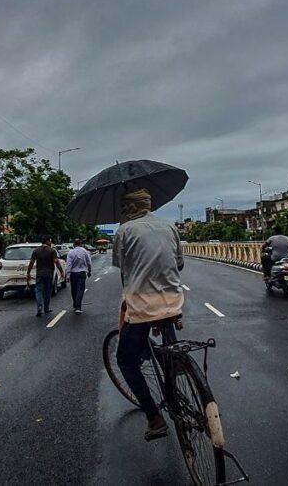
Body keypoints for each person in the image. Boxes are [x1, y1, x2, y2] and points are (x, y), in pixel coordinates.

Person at [113, 188, 184, 441]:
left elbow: (123, 269)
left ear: (129, 208)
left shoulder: (124, 231)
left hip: (142, 306)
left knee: (125, 361)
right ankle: (175, 372)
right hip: (173, 302)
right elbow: (179, 264)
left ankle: (155, 419)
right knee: (170, 353)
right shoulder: (169, 227)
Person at [26, 236, 64, 317]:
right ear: (47, 241)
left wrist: (28, 273)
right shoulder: (52, 251)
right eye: (50, 241)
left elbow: (31, 263)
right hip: (49, 273)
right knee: (48, 291)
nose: (51, 242)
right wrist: (61, 271)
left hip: (39, 274)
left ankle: (40, 306)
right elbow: (56, 262)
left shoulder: (36, 251)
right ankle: (46, 308)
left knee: (39, 290)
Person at [66, 239, 93, 313]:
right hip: (82, 273)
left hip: (73, 273)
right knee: (80, 290)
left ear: (74, 244)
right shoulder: (84, 251)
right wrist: (89, 271)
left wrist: (67, 275)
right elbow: (89, 262)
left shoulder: (71, 252)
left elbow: (69, 264)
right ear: (80, 244)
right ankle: (78, 306)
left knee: (74, 290)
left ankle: (76, 304)